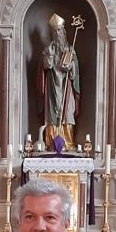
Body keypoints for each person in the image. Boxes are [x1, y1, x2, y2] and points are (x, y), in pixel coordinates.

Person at [38, 13, 80, 149]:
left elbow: (76, 70)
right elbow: (45, 67)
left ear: (64, 32)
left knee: (67, 111)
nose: (57, 34)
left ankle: (67, 142)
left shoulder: (70, 50)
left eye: (59, 31)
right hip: (52, 86)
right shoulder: (49, 50)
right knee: (52, 112)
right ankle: (51, 142)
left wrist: (71, 66)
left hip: (66, 86)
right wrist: (49, 57)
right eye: (54, 31)